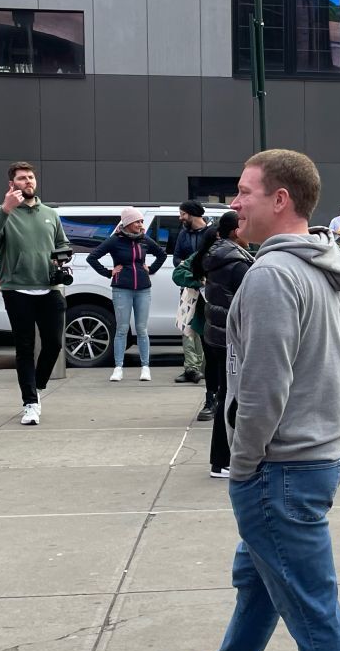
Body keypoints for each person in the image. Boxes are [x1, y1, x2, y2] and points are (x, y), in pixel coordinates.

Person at [142, 149, 340, 651]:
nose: (233, 202)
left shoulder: (271, 277)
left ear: (282, 200)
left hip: (281, 467)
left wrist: (241, 465)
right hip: (313, 457)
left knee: (310, 607)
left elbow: (264, 386)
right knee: (263, 581)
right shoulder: (323, 266)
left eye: (244, 191)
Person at [0, 163, 70, 426]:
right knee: (25, 346)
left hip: (48, 287)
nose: (28, 181)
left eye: (30, 177)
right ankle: (30, 402)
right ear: (12, 184)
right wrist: (6, 209)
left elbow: (61, 242)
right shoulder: (0, 212)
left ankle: (37, 388)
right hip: (16, 288)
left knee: (53, 343)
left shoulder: (50, 214)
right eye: (21, 178)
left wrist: (62, 257)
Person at [198, 211, 253, 480]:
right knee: (231, 399)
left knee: (225, 396)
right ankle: (223, 460)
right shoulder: (237, 263)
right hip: (229, 339)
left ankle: (222, 459)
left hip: (215, 336)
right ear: (235, 232)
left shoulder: (218, 255)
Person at [87, 207, 166, 382]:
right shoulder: (115, 241)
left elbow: (161, 254)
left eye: (141, 221)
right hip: (121, 289)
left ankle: (145, 367)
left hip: (143, 289)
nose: (140, 224)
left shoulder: (144, 239)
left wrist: (151, 269)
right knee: (122, 329)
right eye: (137, 221)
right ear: (128, 223)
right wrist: (109, 272)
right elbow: (92, 257)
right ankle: (118, 367)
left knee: (142, 329)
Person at [173, 201, 212, 387]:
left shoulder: (210, 233)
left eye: (183, 214)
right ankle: (190, 367)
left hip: (208, 290)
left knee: (205, 327)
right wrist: (191, 272)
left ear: (192, 214)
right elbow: (176, 258)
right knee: (187, 326)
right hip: (188, 288)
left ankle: (205, 368)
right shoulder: (183, 233)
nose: (180, 218)